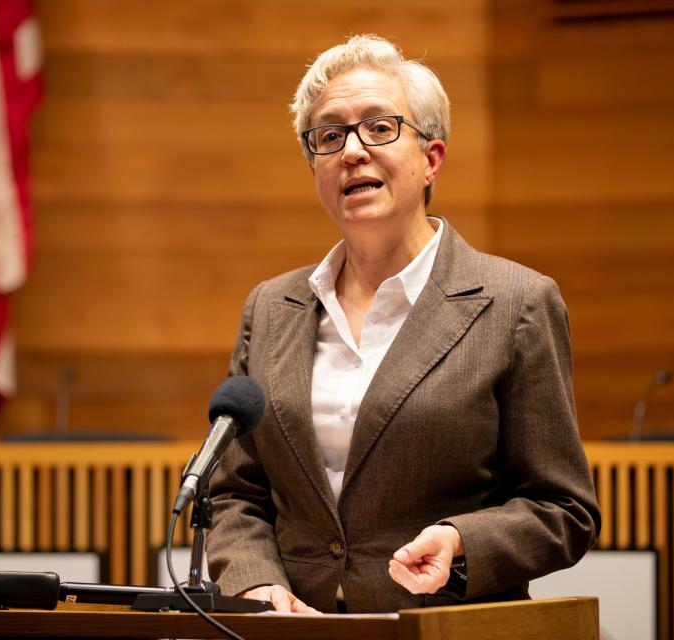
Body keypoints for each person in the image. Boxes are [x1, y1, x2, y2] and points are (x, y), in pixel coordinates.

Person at [206, 34, 600, 614]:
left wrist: (463, 543)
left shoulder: (517, 303)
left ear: (432, 157)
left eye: (379, 127)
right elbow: (235, 493)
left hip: (442, 628)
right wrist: (255, 581)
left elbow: (561, 508)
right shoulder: (270, 308)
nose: (352, 151)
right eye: (330, 135)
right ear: (313, 164)